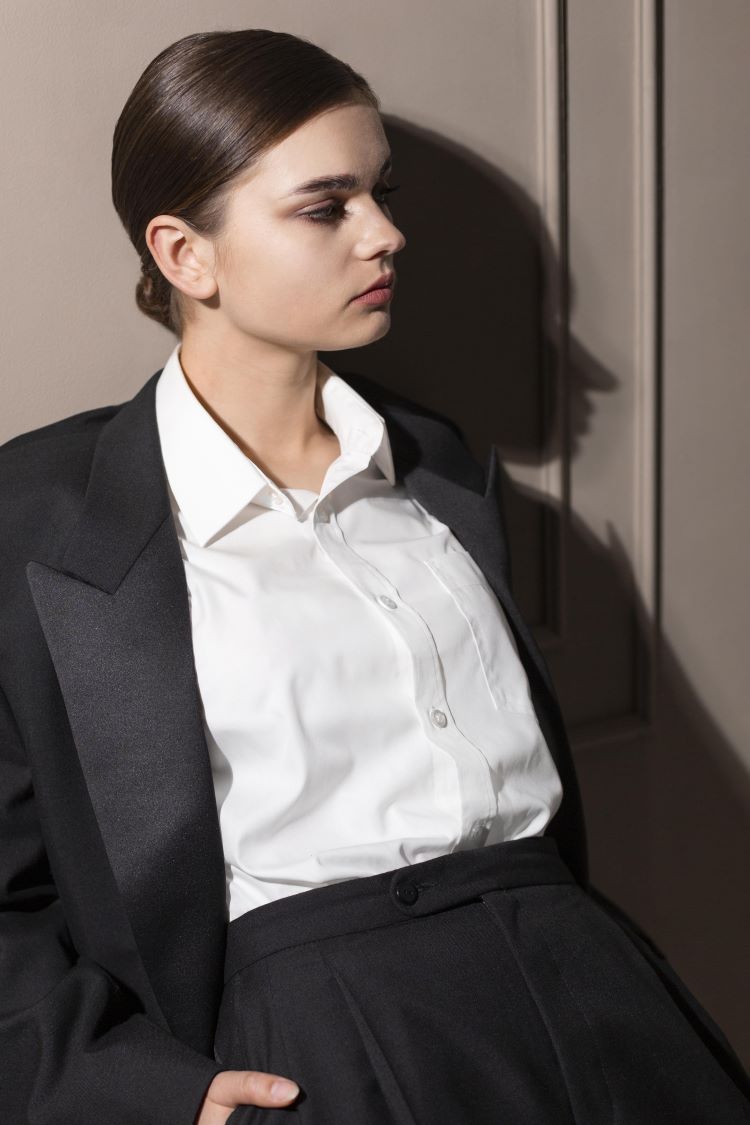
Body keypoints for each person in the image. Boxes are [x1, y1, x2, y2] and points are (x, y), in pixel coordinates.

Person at [0, 26, 748, 1125]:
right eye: (327, 205)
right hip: (334, 1035)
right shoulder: (42, 517)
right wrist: (143, 1094)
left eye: (381, 193)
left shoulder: (437, 468)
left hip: (595, 993)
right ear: (183, 254)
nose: (387, 234)